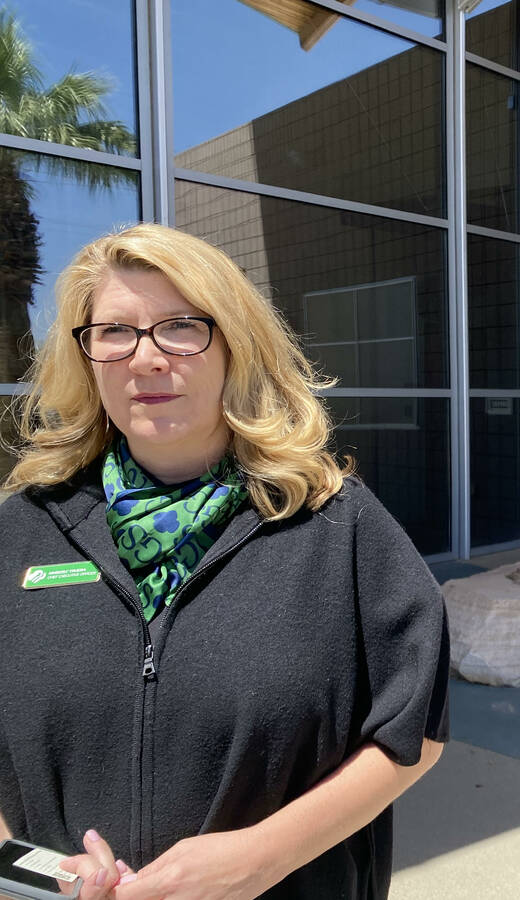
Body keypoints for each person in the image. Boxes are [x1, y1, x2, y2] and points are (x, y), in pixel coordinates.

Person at [0, 223, 450, 899]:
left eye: (181, 327)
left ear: (235, 346)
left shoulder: (335, 523)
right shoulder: (25, 528)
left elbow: (413, 728)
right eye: (115, 331)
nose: (147, 359)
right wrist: (22, 864)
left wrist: (262, 858)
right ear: (87, 356)